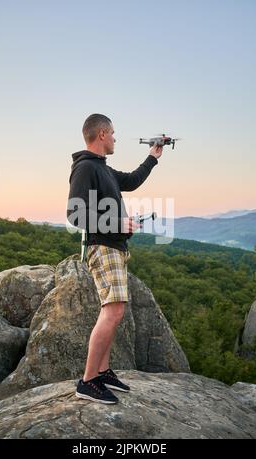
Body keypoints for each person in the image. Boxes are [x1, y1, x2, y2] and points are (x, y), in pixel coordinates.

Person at [67, 113, 163, 404]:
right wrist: (116, 224)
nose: (116, 138)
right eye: (113, 133)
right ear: (102, 135)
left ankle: (103, 371)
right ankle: (88, 381)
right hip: (103, 247)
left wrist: (153, 157)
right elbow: (74, 214)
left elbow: (132, 181)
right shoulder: (85, 168)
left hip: (114, 246)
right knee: (114, 311)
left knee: (111, 310)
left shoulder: (103, 169)